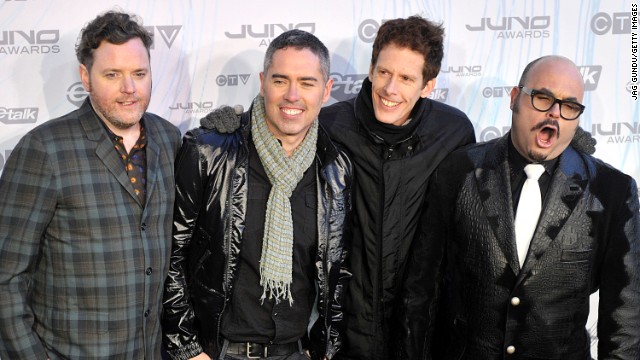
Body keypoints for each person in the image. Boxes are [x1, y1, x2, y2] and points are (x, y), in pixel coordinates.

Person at [202, 16, 475, 359]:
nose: (391, 89)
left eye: (406, 78)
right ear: (371, 69)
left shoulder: (453, 133)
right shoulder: (330, 128)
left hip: (414, 334)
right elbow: (276, 130)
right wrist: (228, 126)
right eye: (384, 72)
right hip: (341, 336)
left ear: (427, 86)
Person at [427, 55, 640, 359]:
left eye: (569, 106)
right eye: (542, 98)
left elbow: (625, 323)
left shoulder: (613, 191)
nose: (554, 114)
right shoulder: (458, 170)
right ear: (515, 98)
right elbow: (423, 290)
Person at [161, 29, 353, 360]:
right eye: (281, 81)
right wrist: (187, 349)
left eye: (307, 83)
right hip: (219, 351)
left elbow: (337, 269)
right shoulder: (209, 151)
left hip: (295, 350)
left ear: (326, 91)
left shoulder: (335, 169)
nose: (293, 95)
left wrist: (324, 348)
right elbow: (170, 254)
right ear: (263, 82)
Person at [0, 10, 181, 360]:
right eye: (112, 74)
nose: (129, 89)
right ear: (86, 76)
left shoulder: (169, 139)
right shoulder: (44, 149)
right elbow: (6, 279)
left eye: (139, 74)